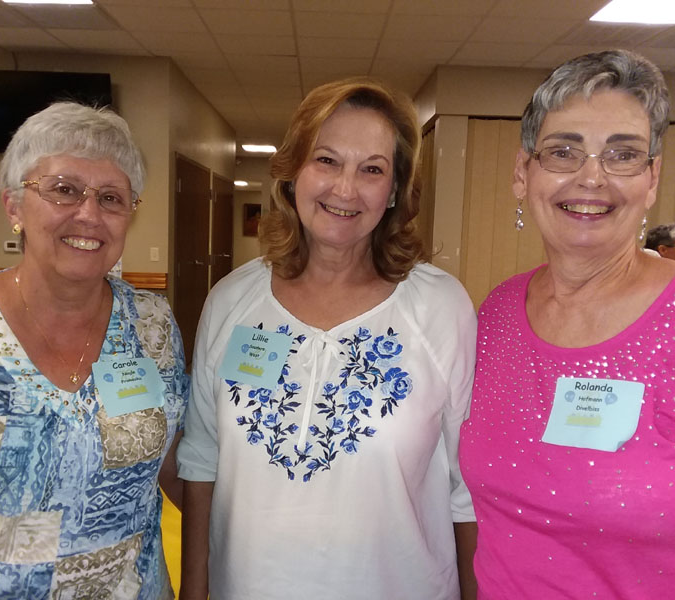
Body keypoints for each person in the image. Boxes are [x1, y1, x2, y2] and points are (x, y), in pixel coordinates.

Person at [177, 78, 477, 600]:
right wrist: (194, 590)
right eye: (326, 160)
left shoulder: (440, 308)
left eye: (372, 169)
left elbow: (465, 487)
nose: (345, 188)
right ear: (293, 172)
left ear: (394, 191)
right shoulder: (231, 301)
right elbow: (201, 458)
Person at [0, 102, 189, 598]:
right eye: (63, 190)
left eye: (111, 197)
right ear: (13, 206)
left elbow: (172, 464)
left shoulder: (151, 325)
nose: (89, 214)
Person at [459, 50, 675, 599]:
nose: (592, 177)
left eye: (623, 155)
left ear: (651, 178)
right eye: (563, 151)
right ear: (523, 174)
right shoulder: (498, 312)